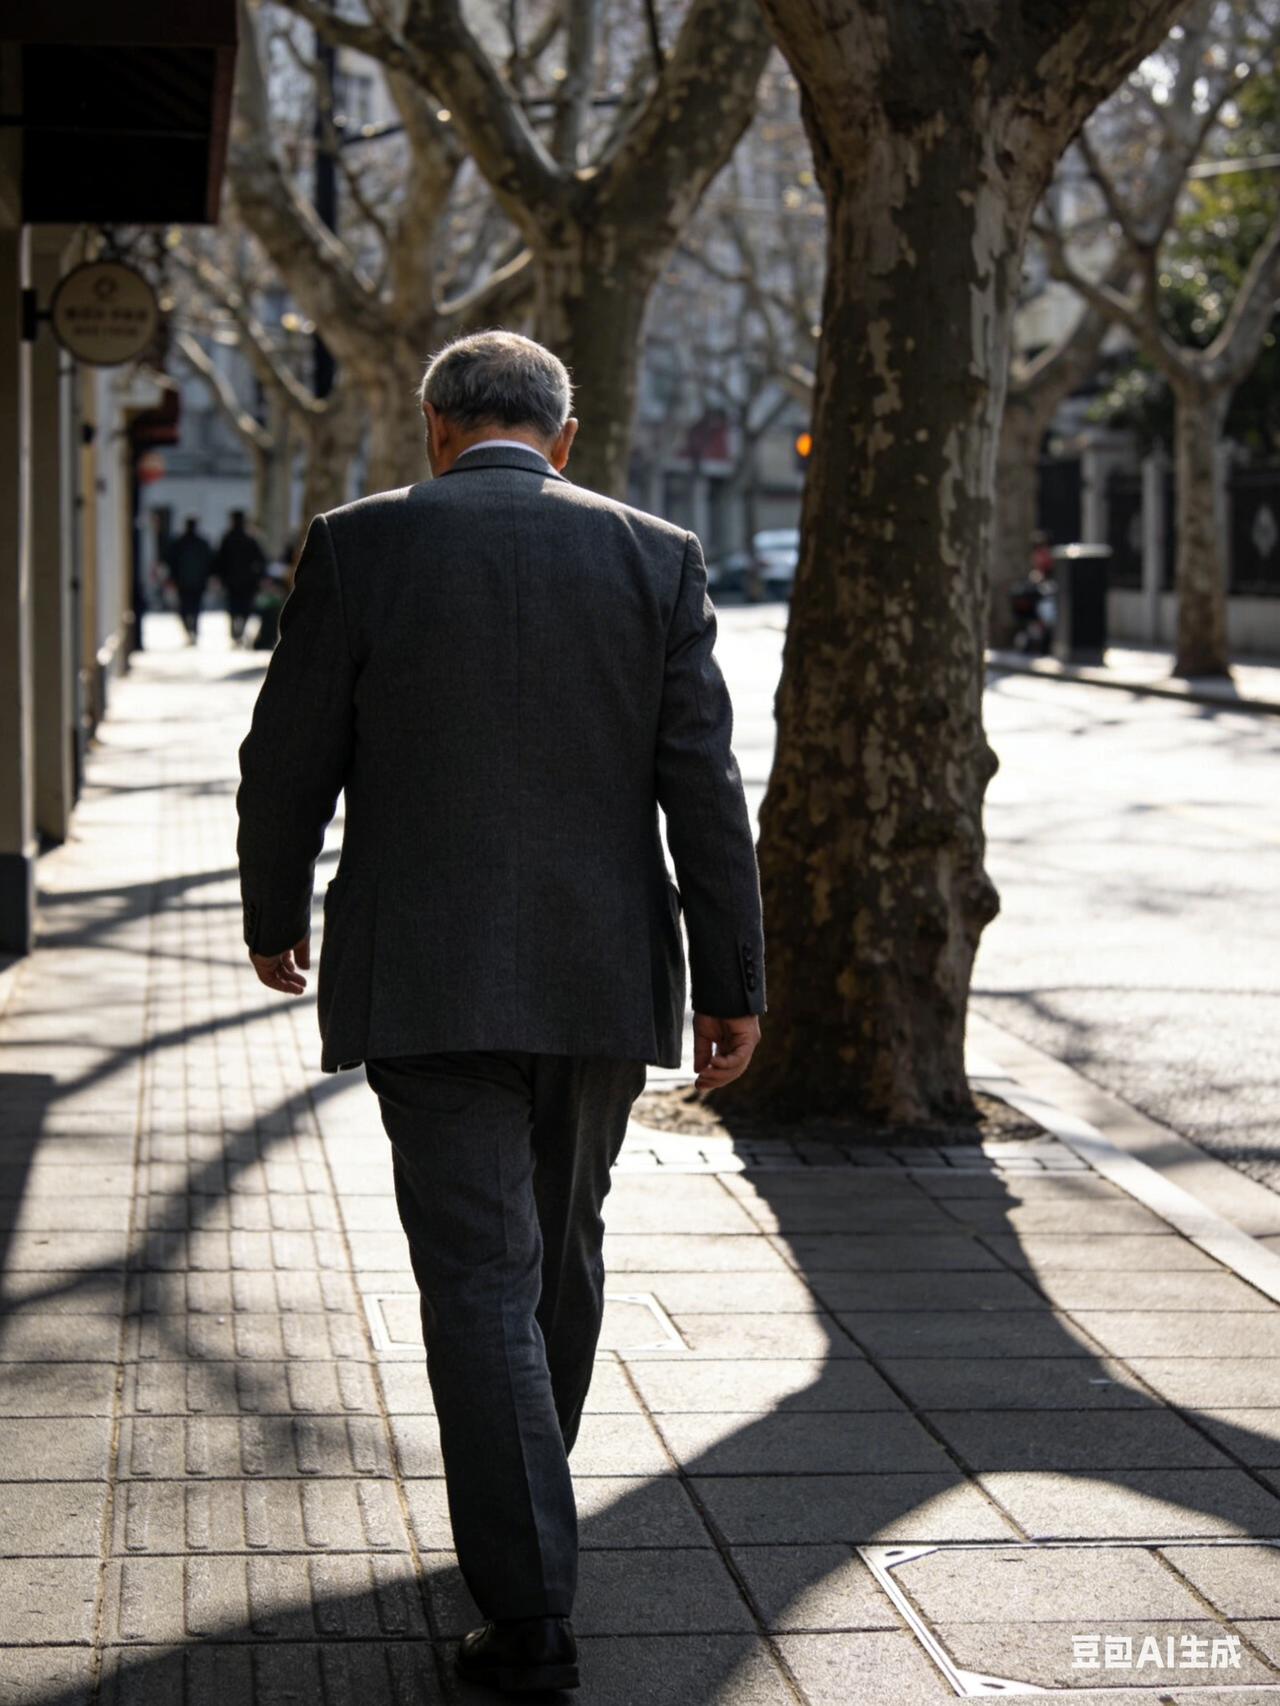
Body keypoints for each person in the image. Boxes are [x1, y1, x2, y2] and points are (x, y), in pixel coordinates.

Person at [235, 329, 765, 1696]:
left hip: (423, 970)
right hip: (599, 976)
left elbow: (285, 757)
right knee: (562, 1246)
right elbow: (703, 790)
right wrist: (736, 981)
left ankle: (527, 1593)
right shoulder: (656, 554)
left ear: (433, 428)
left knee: (478, 1272)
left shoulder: (357, 547)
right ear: (564, 437)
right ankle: (528, 1506)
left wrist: (274, 907)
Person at [213, 509, 268, 644]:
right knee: (245, 607)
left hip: (231, 580)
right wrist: (259, 576)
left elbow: (219, 560)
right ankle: (240, 630)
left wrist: (219, 576)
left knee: (233, 606)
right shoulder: (250, 538)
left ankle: (235, 631)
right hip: (247, 581)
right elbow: (261, 559)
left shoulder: (228, 538)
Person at [162, 516, 213, 644]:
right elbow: (210, 562)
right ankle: (193, 630)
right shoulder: (201, 543)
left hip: (184, 582)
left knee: (185, 608)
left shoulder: (180, 543)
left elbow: (170, 561)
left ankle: (190, 630)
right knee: (194, 607)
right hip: (195, 582)